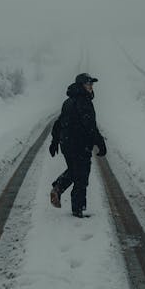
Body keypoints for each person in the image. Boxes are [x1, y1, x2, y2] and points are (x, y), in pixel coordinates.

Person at [48, 72, 107, 218]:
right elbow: (90, 126)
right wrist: (100, 143)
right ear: (81, 85)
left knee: (74, 170)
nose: (91, 87)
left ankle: (58, 188)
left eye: (92, 84)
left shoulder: (68, 102)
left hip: (67, 144)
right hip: (79, 144)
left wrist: (55, 141)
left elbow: (58, 123)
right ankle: (77, 210)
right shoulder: (84, 102)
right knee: (82, 176)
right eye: (88, 84)